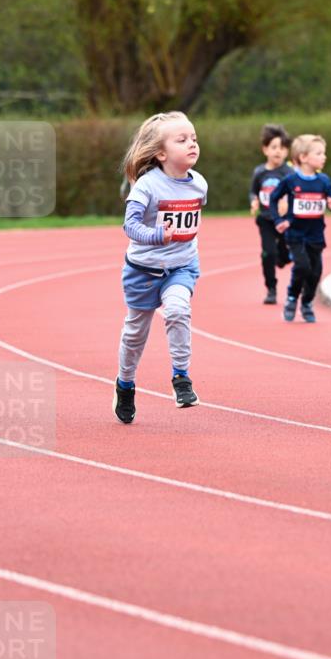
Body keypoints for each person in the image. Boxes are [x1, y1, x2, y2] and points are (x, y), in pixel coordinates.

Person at [113, 111, 207, 424]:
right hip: (143, 271)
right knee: (135, 333)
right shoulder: (147, 187)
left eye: (193, 138)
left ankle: (181, 378)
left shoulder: (199, 185)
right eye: (182, 140)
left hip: (181, 267)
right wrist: (157, 236)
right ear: (161, 153)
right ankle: (125, 384)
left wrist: (179, 243)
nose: (192, 144)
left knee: (178, 310)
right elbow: (130, 226)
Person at [268, 134, 331, 323]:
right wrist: (277, 220)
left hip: (316, 235)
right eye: (319, 153)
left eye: (324, 153)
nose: (324, 157)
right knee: (302, 266)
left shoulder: (324, 180)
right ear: (303, 157)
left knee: (316, 272)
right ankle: (292, 298)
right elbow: (273, 198)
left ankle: (306, 302)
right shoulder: (291, 181)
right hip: (296, 234)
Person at [249, 124, 292, 304]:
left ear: (287, 151)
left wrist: (288, 202)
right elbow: (253, 191)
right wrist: (254, 201)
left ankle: (284, 257)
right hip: (266, 220)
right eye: (274, 147)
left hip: (283, 221)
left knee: (282, 255)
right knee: (268, 253)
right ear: (265, 149)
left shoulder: (289, 173)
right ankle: (271, 289)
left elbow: (295, 193)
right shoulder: (260, 172)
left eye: (282, 148)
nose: (278, 152)